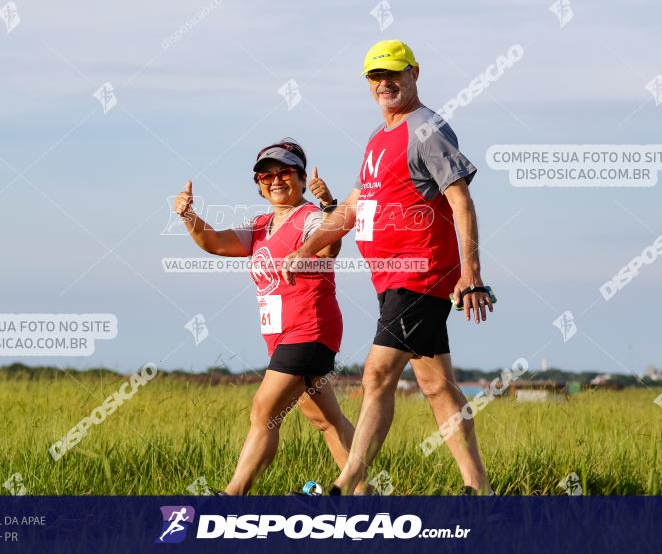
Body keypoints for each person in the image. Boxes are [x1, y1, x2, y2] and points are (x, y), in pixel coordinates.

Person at [281, 40, 495, 495]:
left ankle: (347, 483)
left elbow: (461, 201)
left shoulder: (427, 129)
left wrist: (471, 273)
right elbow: (355, 207)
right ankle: (478, 490)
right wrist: (308, 247)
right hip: (390, 279)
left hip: (420, 273)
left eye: (394, 74)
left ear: (415, 72)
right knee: (437, 387)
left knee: (377, 373)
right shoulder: (379, 139)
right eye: (376, 77)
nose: (385, 83)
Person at [174, 139, 358, 495]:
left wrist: (331, 205)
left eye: (285, 172)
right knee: (325, 419)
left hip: (308, 328)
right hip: (283, 336)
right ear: (258, 185)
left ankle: (232, 496)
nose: (275, 180)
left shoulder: (312, 218)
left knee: (263, 411)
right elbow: (215, 243)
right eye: (266, 175)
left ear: (302, 179)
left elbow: (331, 246)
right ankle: (366, 494)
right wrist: (188, 217)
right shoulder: (260, 227)